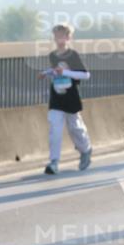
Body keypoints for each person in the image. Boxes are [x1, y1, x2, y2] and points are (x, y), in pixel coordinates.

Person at [38, 23, 92, 175]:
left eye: (62, 35)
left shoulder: (73, 55)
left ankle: (85, 150)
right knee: (55, 129)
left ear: (68, 37)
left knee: (76, 128)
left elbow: (85, 75)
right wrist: (46, 73)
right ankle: (54, 162)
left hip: (71, 97)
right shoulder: (52, 55)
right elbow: (56, 71)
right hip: (56, 97)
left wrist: (66, 73)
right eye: (56, 35)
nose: (58, 38)